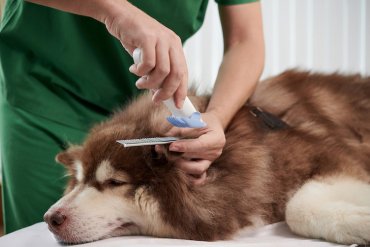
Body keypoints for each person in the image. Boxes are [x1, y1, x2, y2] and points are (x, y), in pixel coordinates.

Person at [0, 0, 264, 233]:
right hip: (43, 94)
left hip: (142, 114)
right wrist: (116, 12)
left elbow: (245, 40)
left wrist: (217, 116)